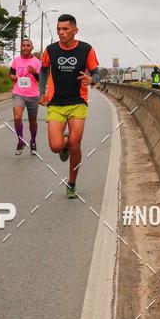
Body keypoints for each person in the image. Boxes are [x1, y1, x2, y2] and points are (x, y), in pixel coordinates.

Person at [39, 14, 99, 198]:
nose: (61, 32)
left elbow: (96, 73)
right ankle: (64, 143)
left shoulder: (86, 49)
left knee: (75, 143)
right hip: (56, 103)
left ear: (75, 30)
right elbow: (43, 70)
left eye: (65, 29)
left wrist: (92, 79)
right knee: (56, 146)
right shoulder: (50, 50)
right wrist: (42, 92)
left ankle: (71, 183)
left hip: (77, 103)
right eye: (59, 29)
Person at [9, 38, 42, 155]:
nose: (26, 47)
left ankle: (33, 141)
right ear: (21, 47)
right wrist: (12, 77)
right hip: (18, 93)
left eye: (28, 45)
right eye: (23, 45)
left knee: (32, 121)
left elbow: (41, 79)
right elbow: (11, 73)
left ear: (31, 48)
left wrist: (34, 73)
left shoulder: (37, 62)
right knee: (17, 117)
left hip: (33, 95)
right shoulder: (16, 60)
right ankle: (21, 141)